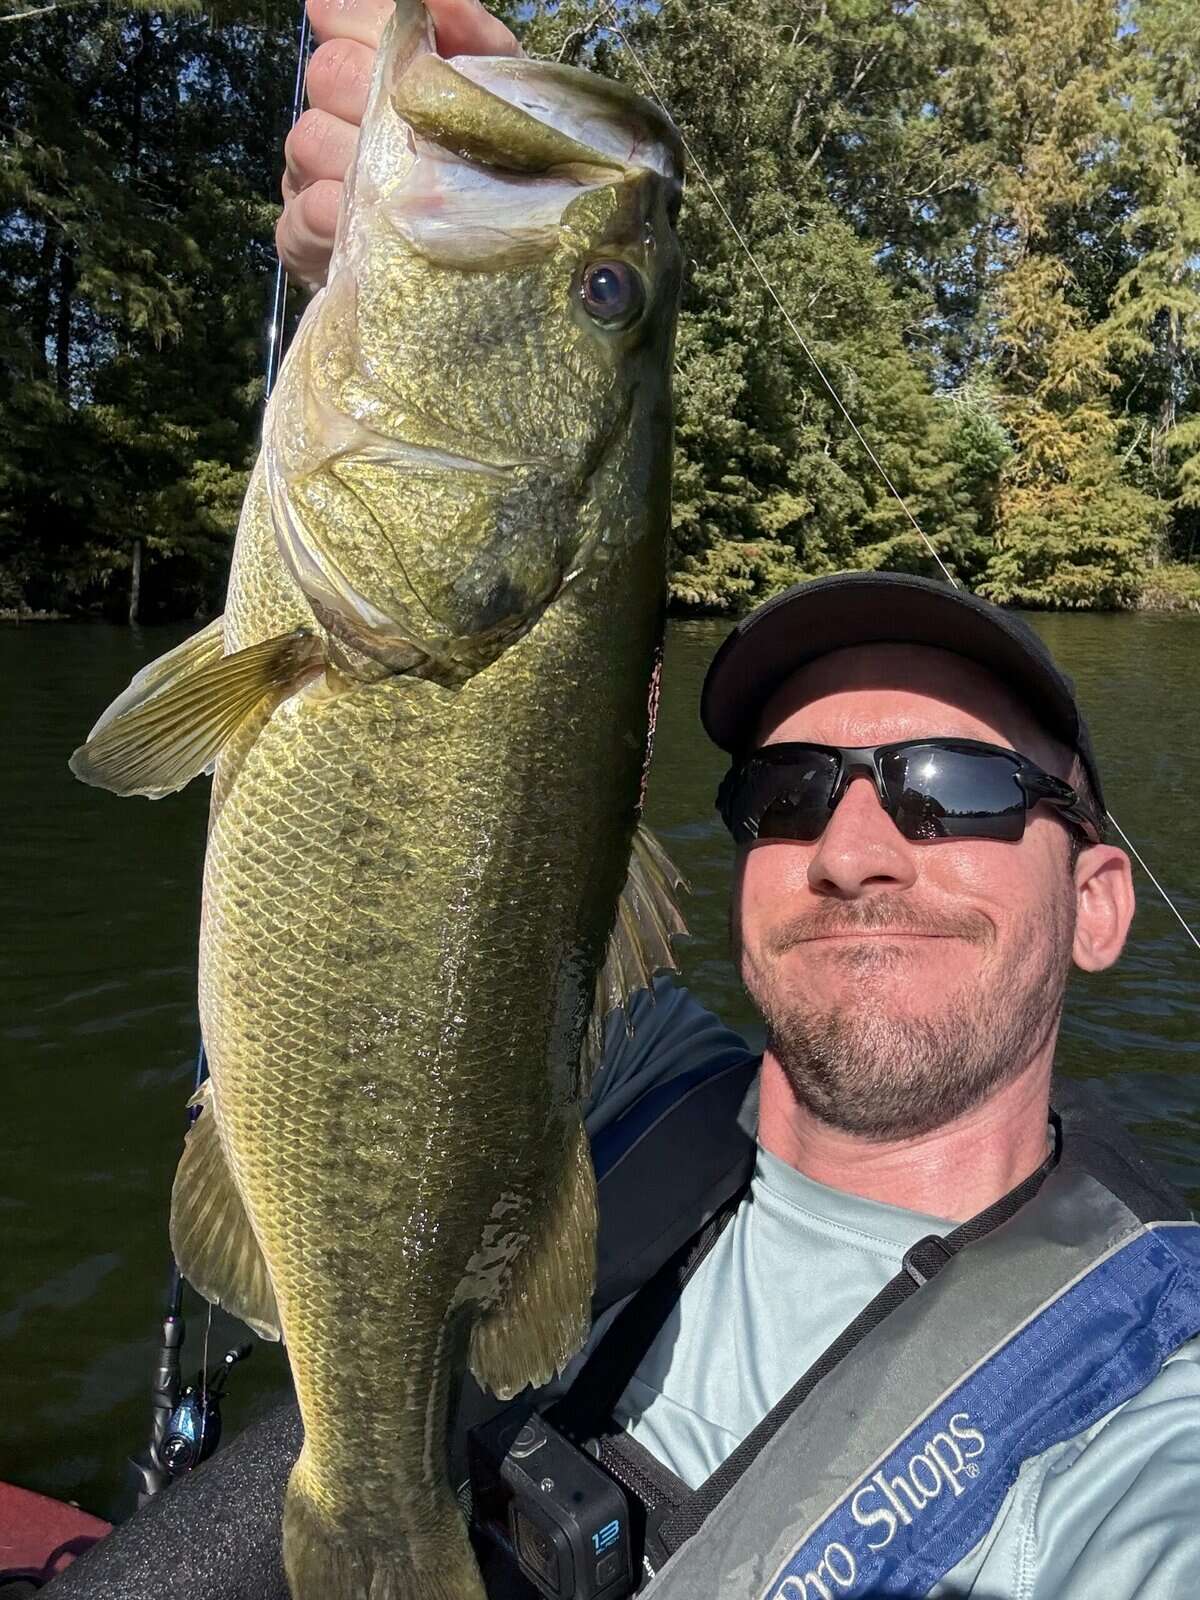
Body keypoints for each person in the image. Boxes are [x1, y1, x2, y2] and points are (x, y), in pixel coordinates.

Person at [52, 7, 1200, 1598]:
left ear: (1099, 900)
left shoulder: (1155, 1416)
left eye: (954, 788)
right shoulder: (626, 1079)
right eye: (795, 788)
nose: (856, 848)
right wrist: (407, 243)